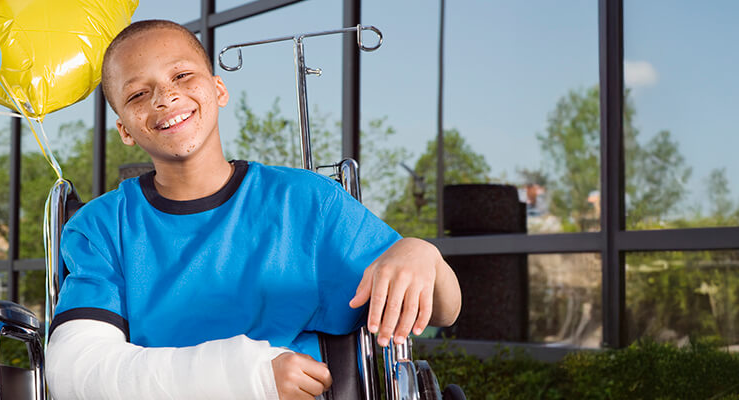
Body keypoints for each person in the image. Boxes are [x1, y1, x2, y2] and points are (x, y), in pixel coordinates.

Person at [45, 19, 461, 400]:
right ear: (124, 129)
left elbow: (444, 309)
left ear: (218, 89)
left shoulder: (306, 202)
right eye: (137, 94)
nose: (165, 96)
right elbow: (78, 371)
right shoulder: (100, 228)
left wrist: (421, 254)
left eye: (182, 75)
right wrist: (249, 377)